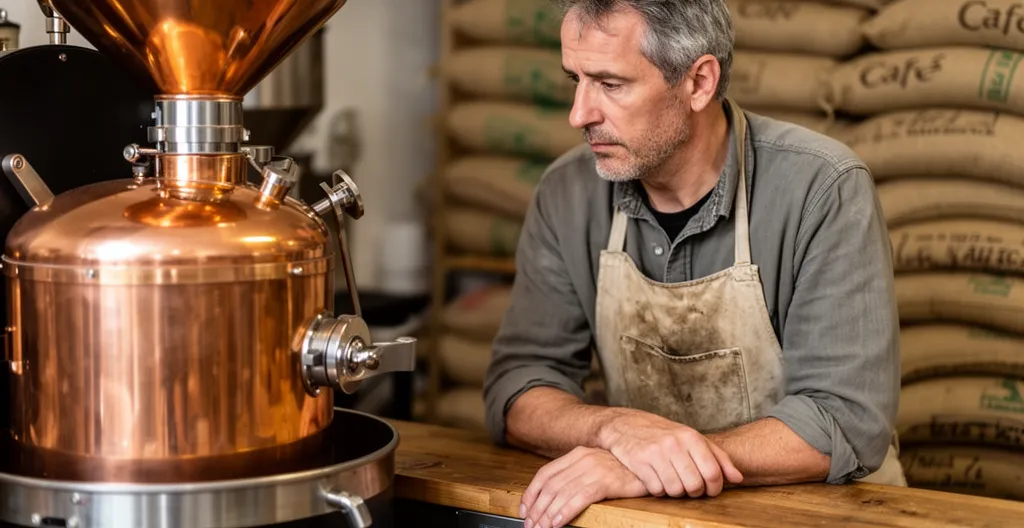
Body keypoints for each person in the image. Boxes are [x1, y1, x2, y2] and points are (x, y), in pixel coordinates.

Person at [481, 1, 906, 527]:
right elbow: (519, 385)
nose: (578, 113)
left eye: (610, 84)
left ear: (699, 83)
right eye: (576, 79)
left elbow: (843, 419)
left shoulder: (823, 190)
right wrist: (613, 430)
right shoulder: (568, 192)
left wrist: (645, 466)